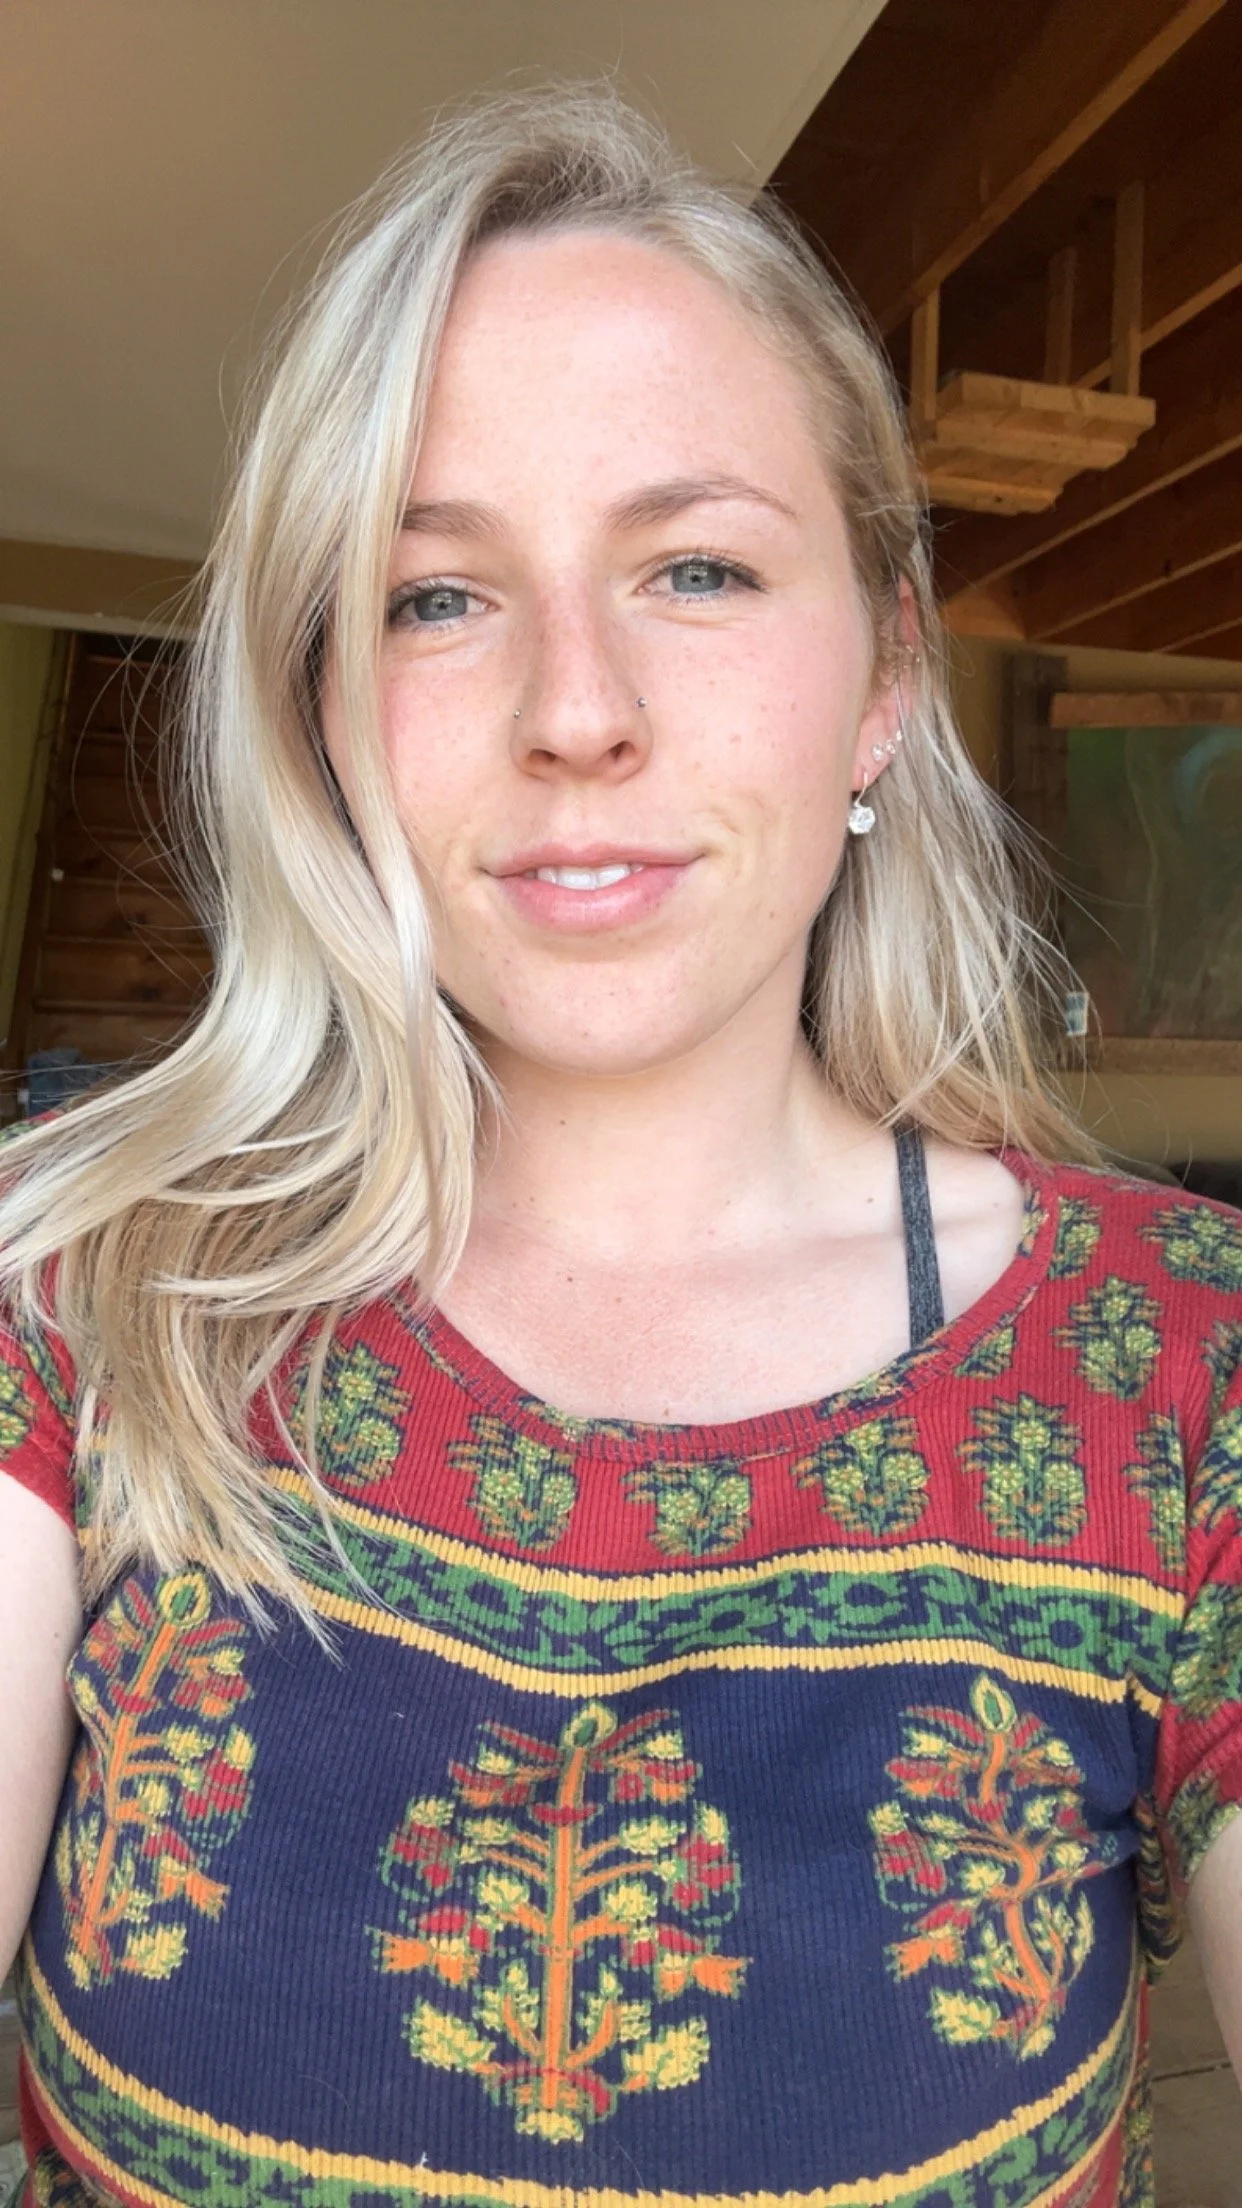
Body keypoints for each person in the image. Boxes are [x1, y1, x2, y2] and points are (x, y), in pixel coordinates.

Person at [1, 83, 1239, 2208]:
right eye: (434, 597)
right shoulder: (84, 1299)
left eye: (696, 567)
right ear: (325, 716)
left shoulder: (1188, 1372)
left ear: (883, 678)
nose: (577, 708)